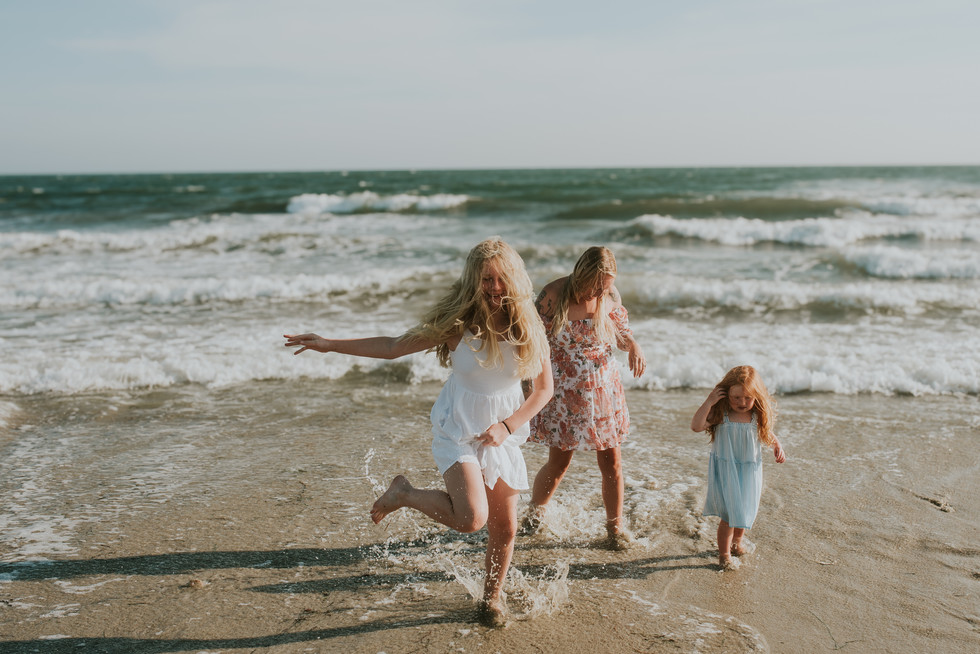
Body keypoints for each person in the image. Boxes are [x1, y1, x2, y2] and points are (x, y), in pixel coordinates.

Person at [284, 238, 552, 627]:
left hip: (502, 429)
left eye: (500, 278)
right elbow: (393, 346)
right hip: (458, 426)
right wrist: (329, 345)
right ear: (472, 281)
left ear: (513, 278)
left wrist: (508, 425)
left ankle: (492, 598)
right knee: (471, 519)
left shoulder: (528, 324)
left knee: (505, 527)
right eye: (485, 279)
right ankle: (405, 493)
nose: (494, 287)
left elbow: (544, 390)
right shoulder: (457, 323)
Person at [521, 246, 645, 550]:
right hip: (563, 392)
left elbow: (621, 333)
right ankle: (534, 515)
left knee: (612, 463)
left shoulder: (609, 295)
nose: (600, 292)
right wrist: (527, 385)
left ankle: (615, 529)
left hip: (603, 389)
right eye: (597, 285)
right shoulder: (553, 294)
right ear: (583, 274)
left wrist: (635, 345)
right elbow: (531, 342)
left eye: (606, 286)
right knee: (559, 463)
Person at [690, 365, 786, 570]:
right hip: (727, 470)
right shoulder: (721, 414)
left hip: (750, 471)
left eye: (747, 398)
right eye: (736, 398)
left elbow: (767, 433)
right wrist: (709, 401)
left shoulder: (756, 416)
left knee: (745, 511)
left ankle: (737, 543)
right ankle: (724, 555)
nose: (742, 403)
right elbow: (696, 426)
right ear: (726, 394)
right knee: (729, 516)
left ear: (756, 397)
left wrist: (777, 445)